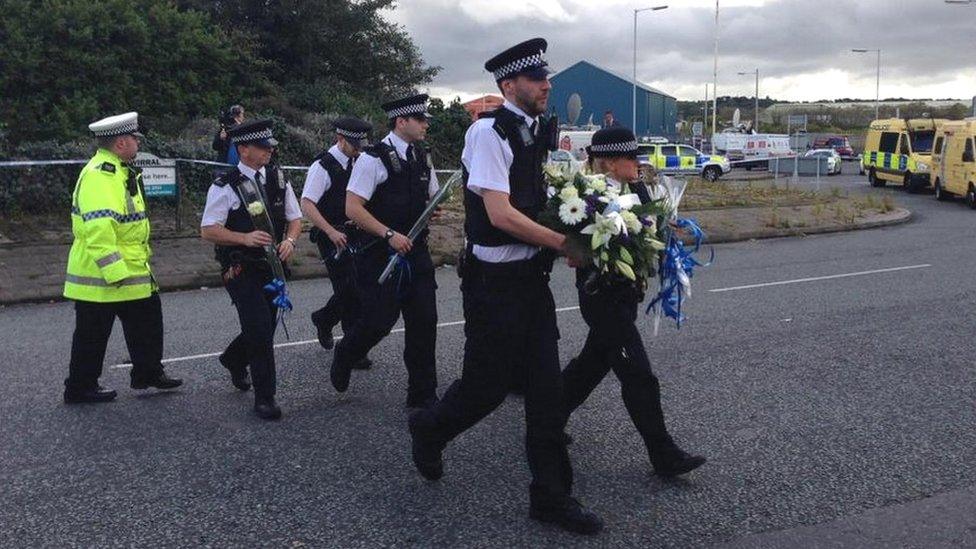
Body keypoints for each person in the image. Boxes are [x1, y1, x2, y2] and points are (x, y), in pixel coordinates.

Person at [407, 38, 603, 536]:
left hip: (530, 279)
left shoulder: (539, 129)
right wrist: (565, 243)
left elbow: (538, 195)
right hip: (494, 283)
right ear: (508, 85)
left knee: (545, 392)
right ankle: (430, 428)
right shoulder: (487, 133)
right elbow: (499, 213)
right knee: (486, 388)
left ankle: (552, 498)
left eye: (547, 77)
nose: (547, 85)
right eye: (537, 78)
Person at [562, 126, 707, 478]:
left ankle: (545, 419)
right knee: (638, 375)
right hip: (602, 297)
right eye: (631, 157)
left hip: (626, 296)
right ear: (610, 162)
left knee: (589, 368)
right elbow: (578, 249)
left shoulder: (636, 189)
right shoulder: (585, 196)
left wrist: (665, 228)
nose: (639, 163)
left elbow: (649, 229)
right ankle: (663, 454)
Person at [328, 94, 440, 410]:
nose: (425, 125)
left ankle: (422, 393)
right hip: (379, 253)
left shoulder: (423, 156)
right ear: (401, 121)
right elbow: (353, 207)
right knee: (379, 321)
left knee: (424, 321)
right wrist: (388, 234)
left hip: (415, 251)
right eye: (420, 120)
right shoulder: (372, 159)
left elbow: (430, 197)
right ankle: (346, 352)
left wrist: (434, 212)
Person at [63, 112, 183, 403]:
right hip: (105, 276)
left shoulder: (119, 170)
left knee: (148, 320)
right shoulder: (101, 175)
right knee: (93, 334)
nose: (137, 143)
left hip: (129, 270)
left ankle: (148, 372)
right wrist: (116, 272)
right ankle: (80, 387)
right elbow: (98, 229)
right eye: (134, 139)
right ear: (120, 143)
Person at [200, 119, 302, 420]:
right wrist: (243, 237)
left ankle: (233, 359)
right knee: (259, 330)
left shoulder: (279, 179)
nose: (269, 152)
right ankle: (265, 397)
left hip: (272, 265)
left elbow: (295, 218)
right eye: (262, 147)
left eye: (270, 147)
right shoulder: (225, 186)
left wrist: (291, 240)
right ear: (243, 149)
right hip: (241, 267)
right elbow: (208, 229)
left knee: (265, 326)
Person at [301, 117, 374, 373]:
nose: (358, 150)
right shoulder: (323, 166)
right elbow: (307, 204)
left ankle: (324, 318)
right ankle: (354, 350)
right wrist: (330, 231)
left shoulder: (359, 162)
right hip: (331, 234)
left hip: (356, 233)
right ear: (340, 140)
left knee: (359, 287)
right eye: (354, 145)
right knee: (349, 289)